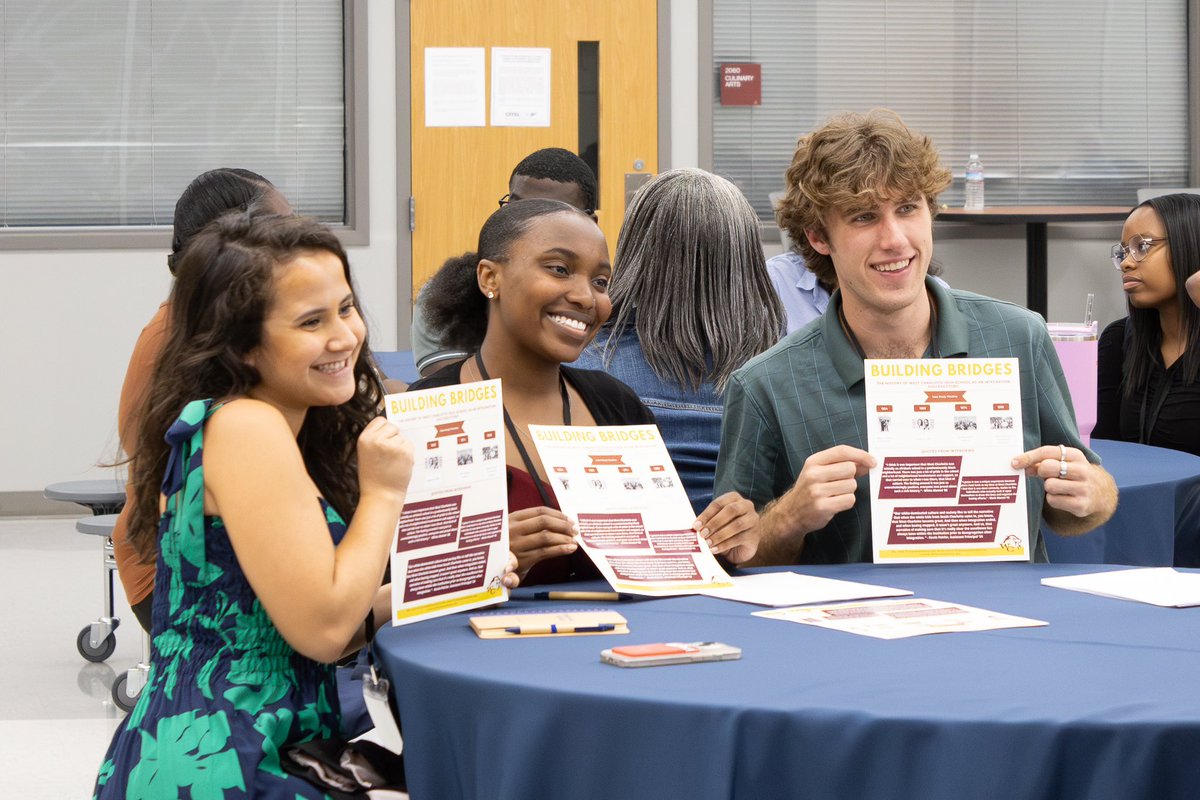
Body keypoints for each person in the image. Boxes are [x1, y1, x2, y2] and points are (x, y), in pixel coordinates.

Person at [94, 212, 520, 798]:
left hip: (230, 742)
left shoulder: (256, 425)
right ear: (243, 346)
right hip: (231, 757)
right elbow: (324, 629)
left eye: (346, 309)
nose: (345, 336)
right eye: (310, 322)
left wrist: (447, 581)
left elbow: (292, 618)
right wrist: (384, 493)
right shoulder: (247, 428)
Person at [714, 109, 1117, 566]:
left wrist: (1089, 495)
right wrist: (790, 517)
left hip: (1008, 622)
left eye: (907, 208)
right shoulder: (767, 385)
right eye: (864, 217)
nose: (895, 239)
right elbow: (735, 556)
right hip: (855, 628)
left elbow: (1079, 506)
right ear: (818, 237)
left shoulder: (1018, 337)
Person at [411, 198, 760, 583]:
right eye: (559, 269)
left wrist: (726, 544)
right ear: (490, 278)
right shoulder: (425, 417)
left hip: (617, 640)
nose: (585, 297)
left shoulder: (617, 405)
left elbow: (662, 567)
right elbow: (390, 588)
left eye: (601, 282)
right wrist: (485, 558)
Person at [113, 167, 290, 633]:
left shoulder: (238, 323)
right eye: (284, 227)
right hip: (174, 565)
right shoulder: (178, 338)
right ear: (236, 242)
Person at [575, 168, 784, 514]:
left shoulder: (580, 367)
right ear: (746, 263)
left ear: (635, 254)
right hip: (755, 556)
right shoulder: (782, 372)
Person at [411, 147, 598, 376]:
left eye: (553, 213)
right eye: (518, 207)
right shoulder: (449, 295)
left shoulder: (599, 301)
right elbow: (455, 393)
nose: (529, 222)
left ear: (591, 221)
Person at [1095, 193, 1200, 455]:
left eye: (1141, 247)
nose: (1126, 263)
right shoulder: (1118, 340)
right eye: (1124, 251)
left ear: (1189, 245)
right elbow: (1101, 450)